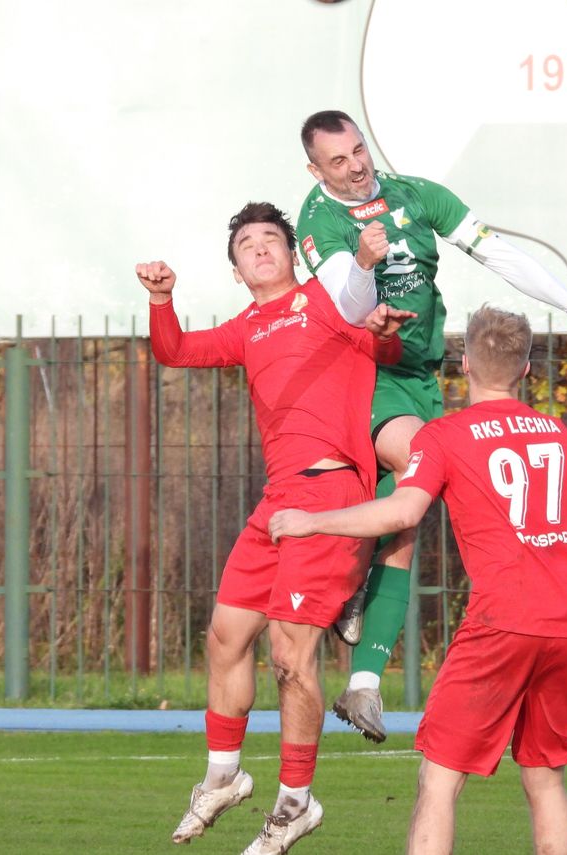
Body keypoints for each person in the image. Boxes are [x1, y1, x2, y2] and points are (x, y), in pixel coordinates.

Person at [296, 109, 567, 742]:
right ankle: (345, 589)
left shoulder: (418, 196)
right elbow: (348, 304)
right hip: (363, 378)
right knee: (422, 467)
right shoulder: (318, 220)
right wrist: (367, 266)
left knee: (409, 509)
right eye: (337, 161)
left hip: (420, 377)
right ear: (316, 170)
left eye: (358, 150)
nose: (356, 166)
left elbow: (496, 254)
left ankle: (365, 682)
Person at [269, 305, 567, 854]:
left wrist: (311, 521)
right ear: (527, 370)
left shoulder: (446, 436)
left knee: (439, 781)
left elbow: (399, 515)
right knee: (544, 778)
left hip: (501, 622)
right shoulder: (564, 439)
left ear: (464, 363)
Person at [137, 202, 413, 854]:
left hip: (329, 495)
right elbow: (173, 350)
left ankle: (295, 801)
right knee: (225, 636)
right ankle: (225, 776)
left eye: (270, 239)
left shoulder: (325, 300)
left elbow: (376, 329)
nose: (259, 247)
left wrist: (377, 308)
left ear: (292, 254)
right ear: (235, 269)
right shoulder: (247, 326)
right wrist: (161, 298)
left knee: (291, 656)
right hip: (276, 503)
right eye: (246, 243)